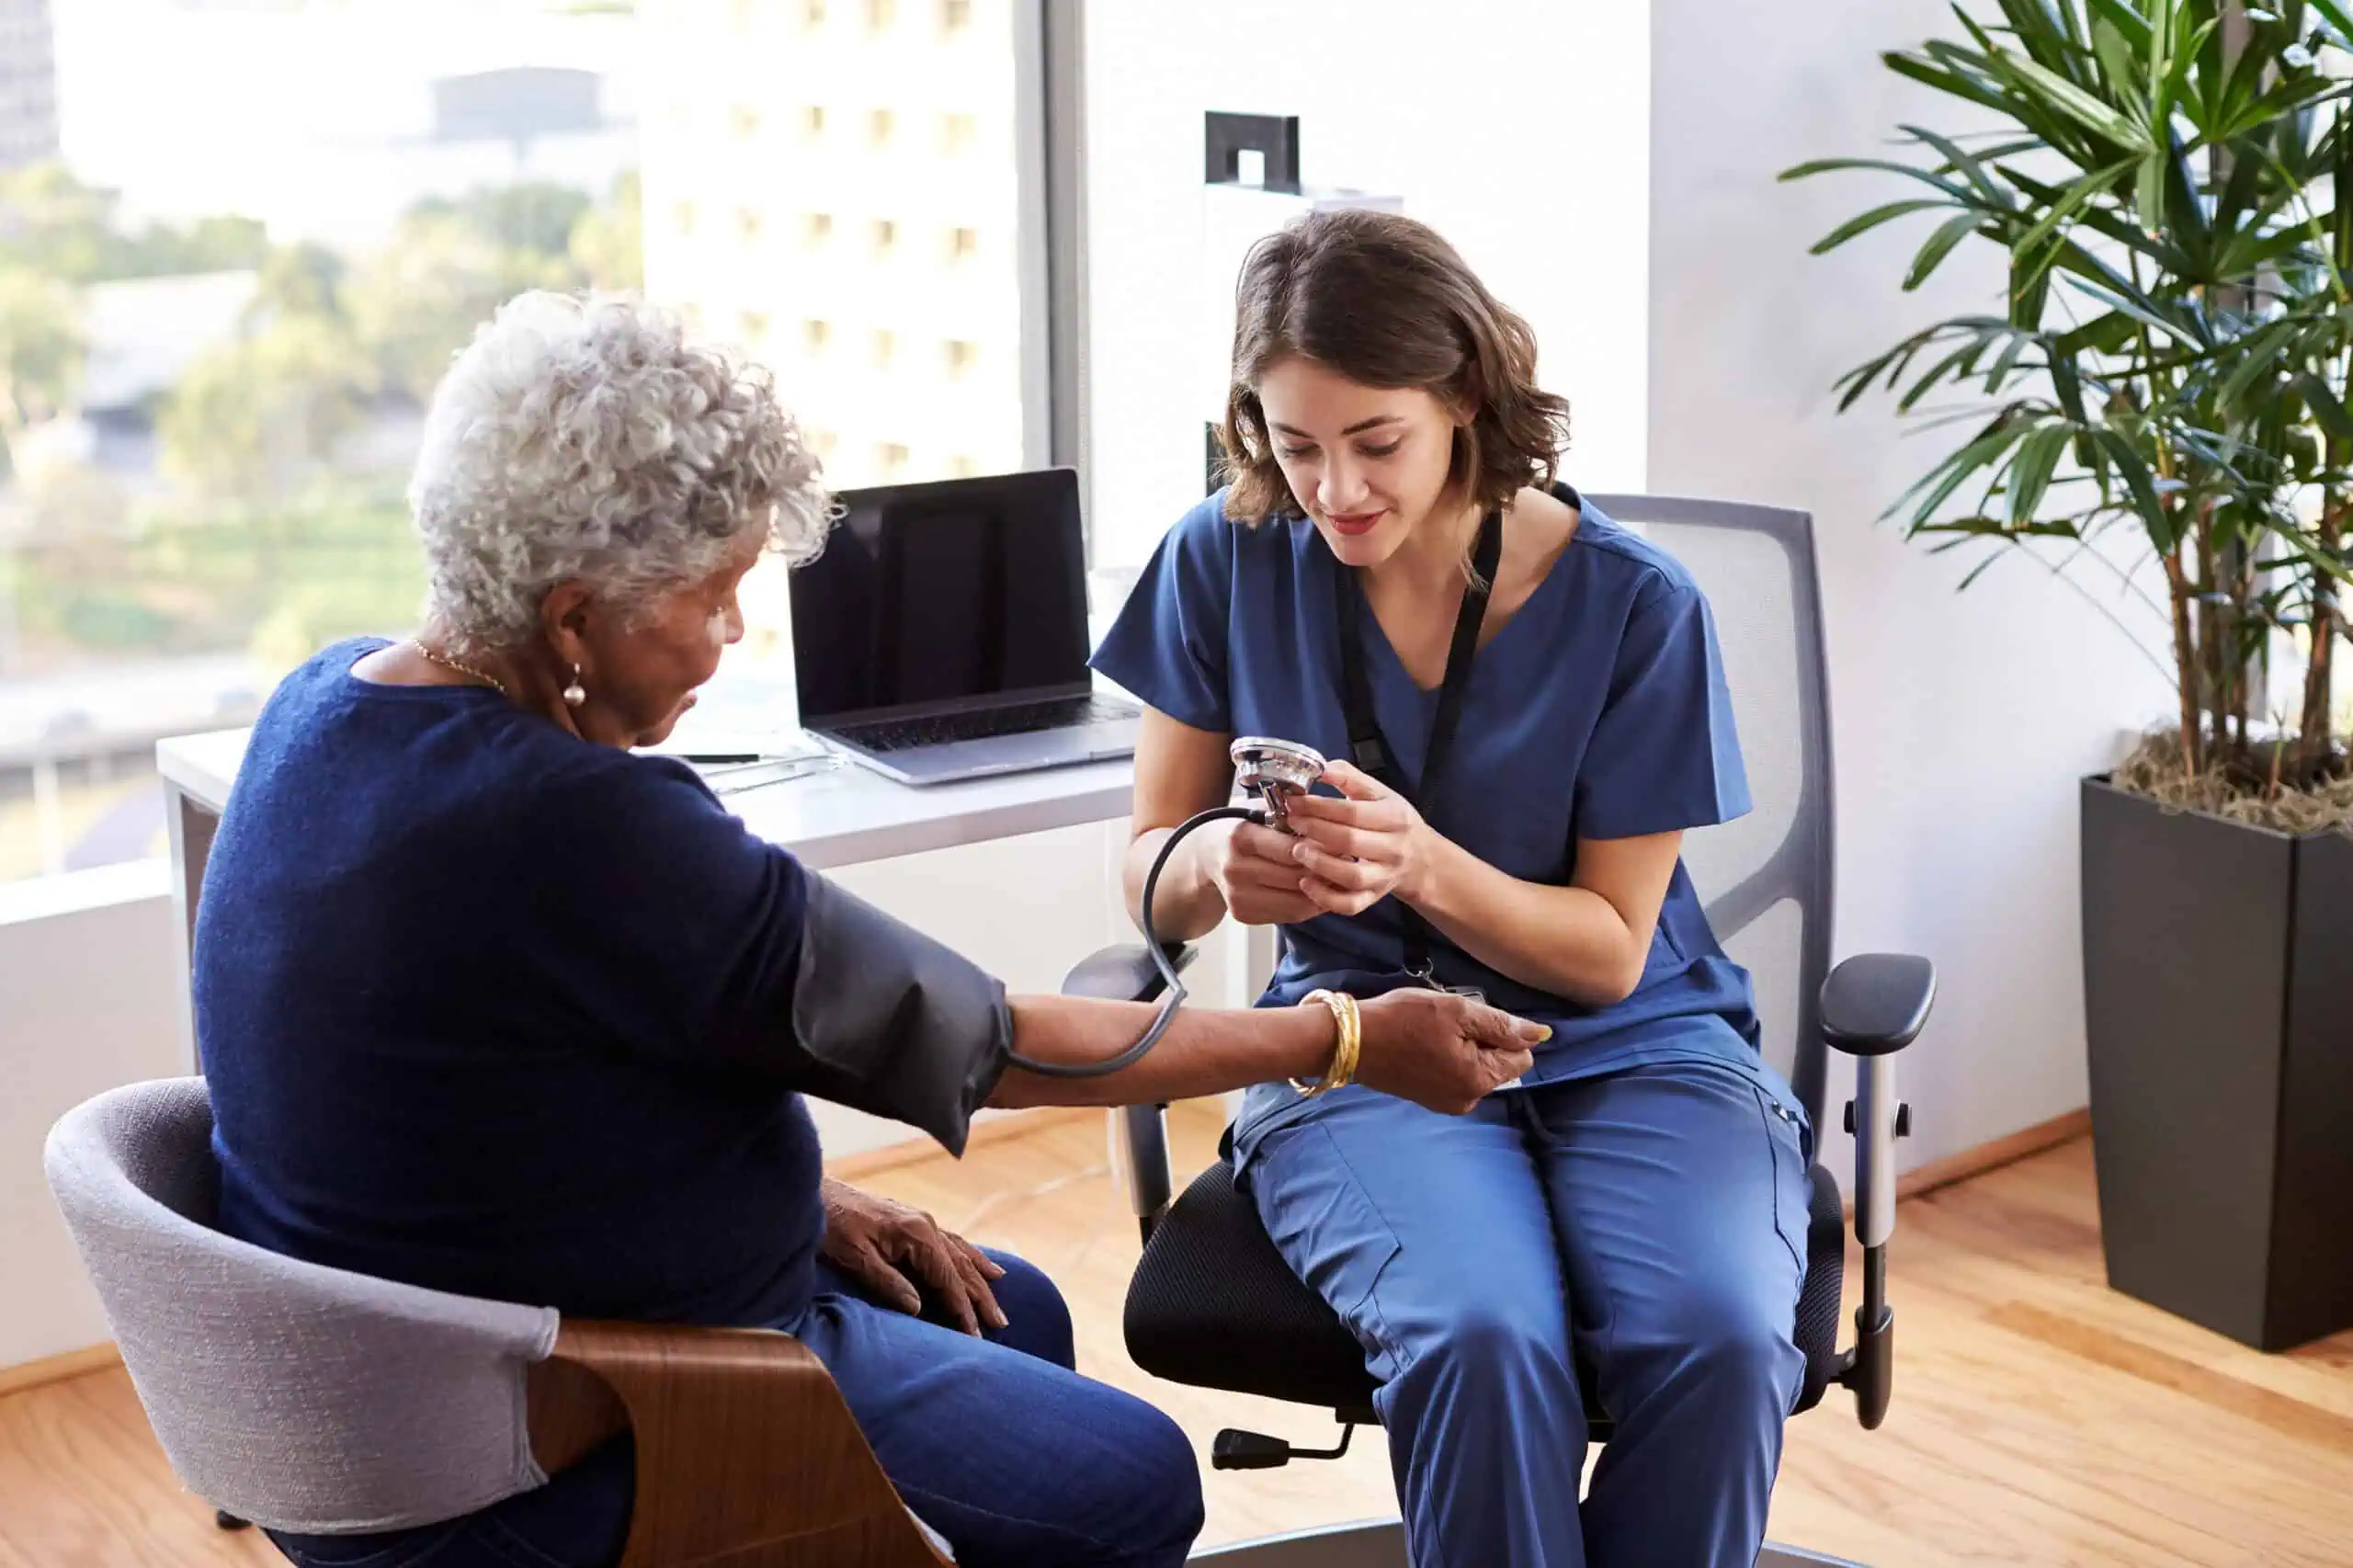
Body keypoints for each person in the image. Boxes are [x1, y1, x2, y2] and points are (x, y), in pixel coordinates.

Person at [194, 290, 1544, 1568]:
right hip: (561, 1429)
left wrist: (800, 1199)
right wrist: (1343, 1034)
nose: (732, 634)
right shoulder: (589, 827)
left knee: (1016, 1307)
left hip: (410, 1384)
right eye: (714, 598)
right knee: (1135, 1481)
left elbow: (488, 1089)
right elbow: (991, 1040)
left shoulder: (323, 709)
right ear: (573, 618)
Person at [1089, 209, 1814, 1567]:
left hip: (1634, 1046)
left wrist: (1416, 856)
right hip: (1359, 1047)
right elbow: (1147, 862)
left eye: (1376, 443)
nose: (1334, 491)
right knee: (1479, 1334)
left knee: (1714, 1341)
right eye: (1294, 445)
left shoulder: (1637, 607)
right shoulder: (1224, 556)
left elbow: (1607, 951)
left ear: (1465, 396)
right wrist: (1210, 868)